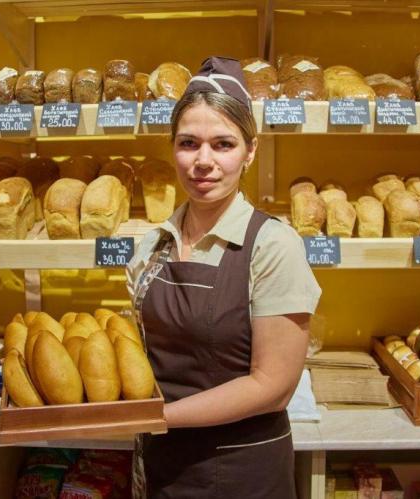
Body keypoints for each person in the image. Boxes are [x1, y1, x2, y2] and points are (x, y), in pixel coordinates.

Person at [126, 56, 322, 498]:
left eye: (223, 144)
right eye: (188, 143)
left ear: (251, 151)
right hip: (161, 465)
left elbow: (271, 387)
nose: (203, 161)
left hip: (241, 472)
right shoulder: (153, 244)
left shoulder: (273, 246)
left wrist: (156, 416)